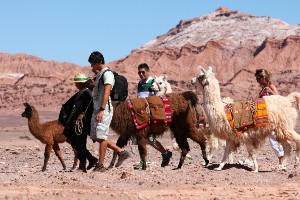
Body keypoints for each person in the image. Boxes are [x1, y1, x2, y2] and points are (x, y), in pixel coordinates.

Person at [88, 51, 130, 172]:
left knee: (101, 136)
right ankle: (121, 152)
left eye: (92, 63)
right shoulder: (100, 74)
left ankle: (100, 165)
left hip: (104, 109)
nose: (91, 66)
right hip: (98, 109)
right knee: (97, 136)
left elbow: (107, 92)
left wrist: (101, 110)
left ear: (99, 62)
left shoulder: (108, 74)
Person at [133, 63, 172, 170]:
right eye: (139, 72)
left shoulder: (153, 83)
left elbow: (159, 97)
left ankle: (164, 153)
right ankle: (147, 159)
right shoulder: (140, 84)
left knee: (149, 139)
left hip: (150, 115)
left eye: (143, 72)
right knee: (142, 139)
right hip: (141, 115)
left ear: (148, 71)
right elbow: (138, 97)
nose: (141, 74)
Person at [61, 73, 98, 173]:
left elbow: (89, 107)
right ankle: (91, 159)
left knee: (79, 144)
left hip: (82, 123)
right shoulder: (82, 92)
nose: (75, 85)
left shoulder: (86, 93)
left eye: (77, 83)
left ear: (81, 83)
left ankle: (83, 166)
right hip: (78, 122)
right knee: (76, 143)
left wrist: (82, 114)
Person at [255, 68, 286, 171]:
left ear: (263, 77)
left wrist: (270, 91)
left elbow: (278, 98)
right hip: (265, 116)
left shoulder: (270, 86)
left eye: (258, 79)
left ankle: (282, 163)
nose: (257, 81)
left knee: (274, 138)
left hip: (273, 116)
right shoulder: (263, 89)